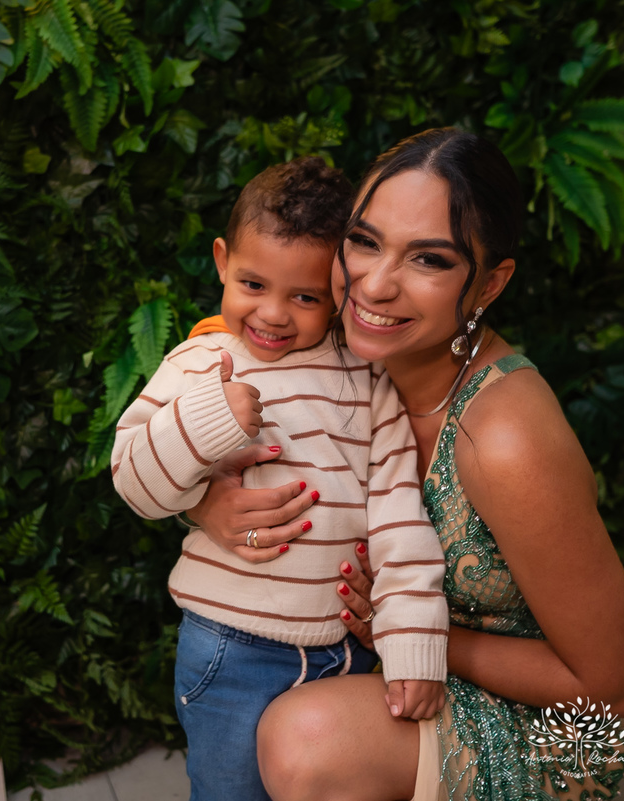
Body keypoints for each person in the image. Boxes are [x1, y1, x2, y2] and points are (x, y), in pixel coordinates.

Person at [189, 128, 624, 800]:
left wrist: (411, 633)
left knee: (306, 738)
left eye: (430, 260)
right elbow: (196, 431)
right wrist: (205, 505)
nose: (374, 284)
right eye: (364, 240)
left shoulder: (503, 437)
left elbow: (616, 684)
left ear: (489, 282)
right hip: (384, 655)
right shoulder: (320, 341)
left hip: (549, 726)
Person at [110, 157, 449, 801]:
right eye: (252, 283)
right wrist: (211, 416)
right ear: (221, 260)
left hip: (346, 654)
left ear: (341, 290)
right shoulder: (201, 360)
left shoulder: (365, 383)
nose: (272, 314)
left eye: (305, 296)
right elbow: (133, 482)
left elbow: (402, 522)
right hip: (230, 651)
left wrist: (412, 650)